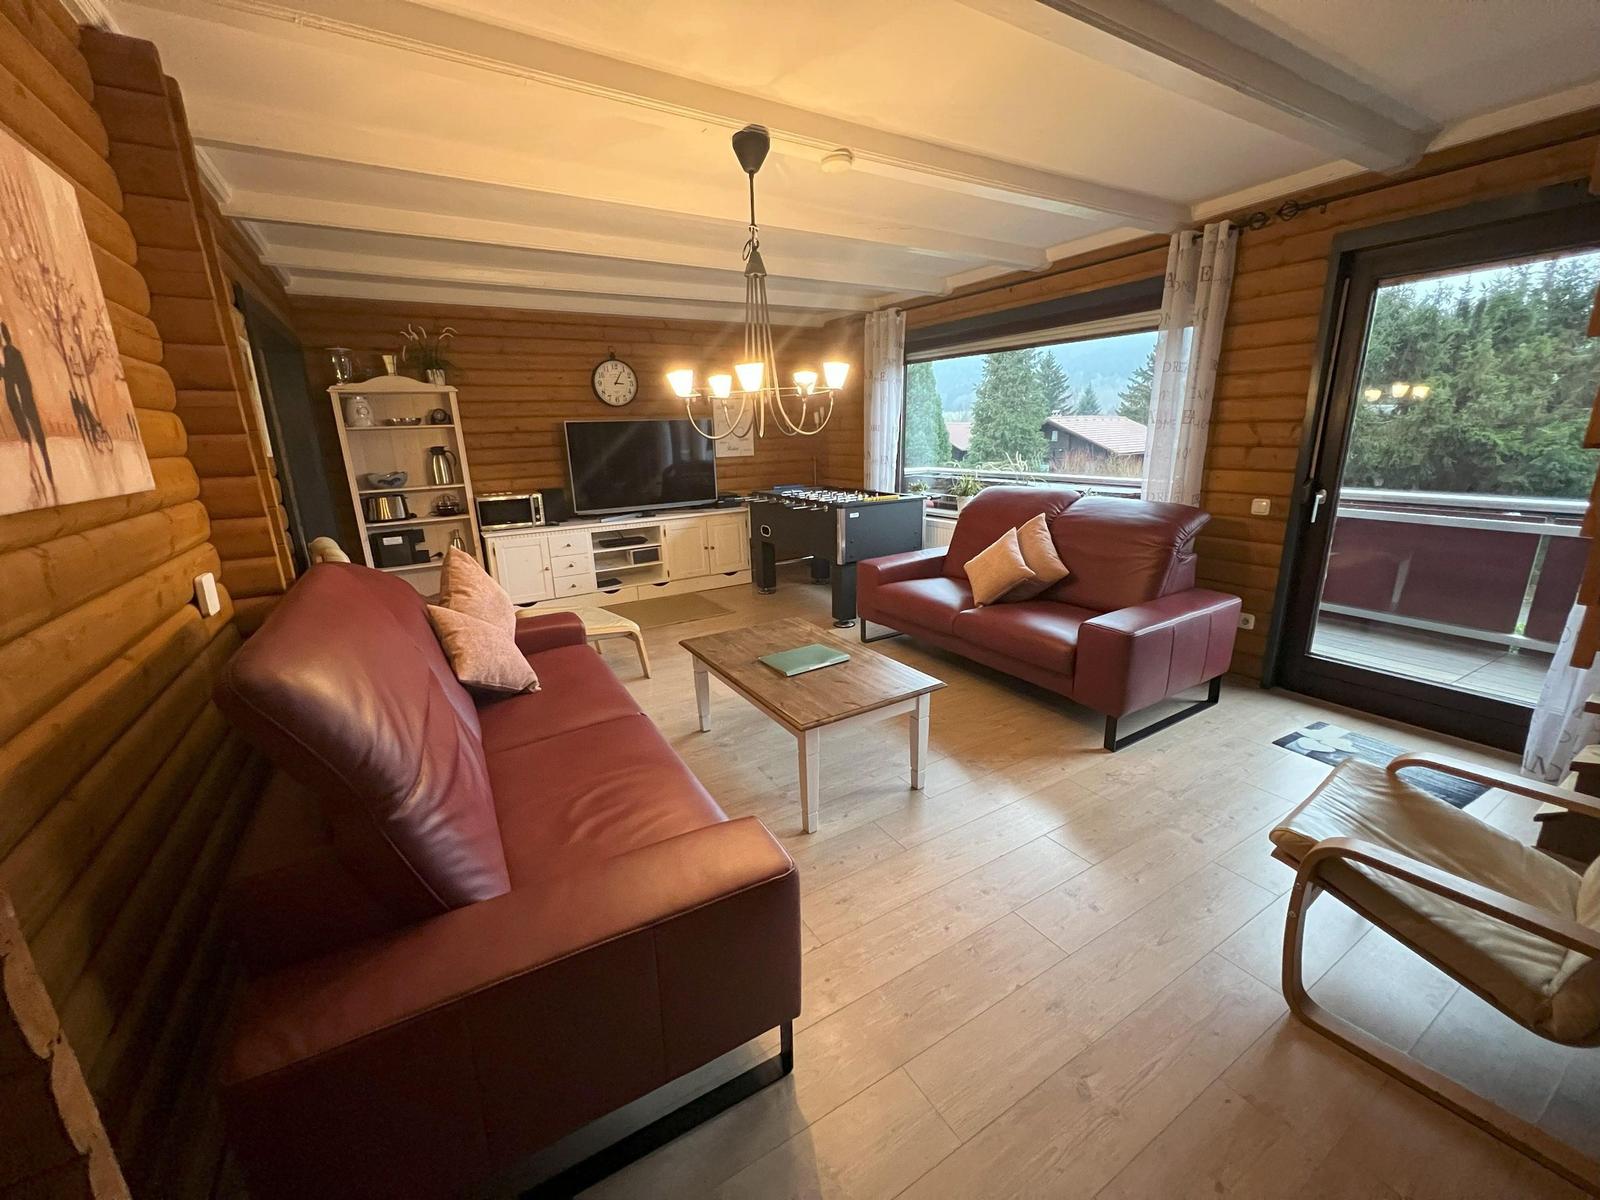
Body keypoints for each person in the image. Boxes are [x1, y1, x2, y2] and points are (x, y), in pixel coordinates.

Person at [2, 321, 53, 501]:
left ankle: (41, 472)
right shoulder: (12, 354)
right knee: (30, 438)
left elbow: (14, 377)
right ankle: (38, 472)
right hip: (19, 402)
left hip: (21, 401)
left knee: (32, 438)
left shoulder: (10, 354)